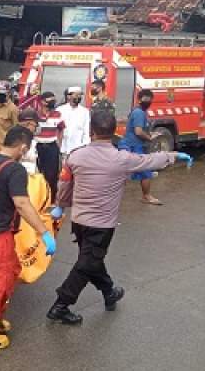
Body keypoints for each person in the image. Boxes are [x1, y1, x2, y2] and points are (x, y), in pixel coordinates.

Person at [47, 111, 191, 324]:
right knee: (87, 263)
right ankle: (61, 305)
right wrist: (174, 155)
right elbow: (150, 160)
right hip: (102, 225)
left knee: (90, 260)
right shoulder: (122, 159)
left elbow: (65, 184)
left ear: (91, 131)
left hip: (79, 221)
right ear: (114, 131)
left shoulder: (75, 156)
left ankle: (109, 291)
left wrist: (60, 206)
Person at [0, 126, 57, 349]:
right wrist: (44, 233)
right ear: (23, 146)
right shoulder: (15, 170)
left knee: (10, 272)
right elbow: (22, 203)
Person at [118, 89, 163, 205]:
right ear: (139, 99)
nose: (148, 101)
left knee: (123, 173)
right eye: (145, 98)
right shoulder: (139, 113)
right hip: (133, 146)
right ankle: (146, 196)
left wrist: (150, 134)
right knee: (145, 171)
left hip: (132, 145)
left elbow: (139, 129)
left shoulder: (140, 111)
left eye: (149, 99)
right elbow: (138, 131)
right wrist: (150, 138)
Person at [34, 92, 64, 202]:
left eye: (53, 100)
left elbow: (61, 129)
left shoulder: (57, 114)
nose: (53, 102)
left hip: (52, 147)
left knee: (52, 175)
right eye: (50, 100)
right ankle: (39, 198)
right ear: (42, 101)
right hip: (38, 147)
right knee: (37, 173)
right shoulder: (35, 114)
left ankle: (51, 200)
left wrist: (59, 143)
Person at [57, 86, 90, 160]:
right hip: (62, 149)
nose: (78, 97)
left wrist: (85, 146)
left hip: (78, 149)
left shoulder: (85, 111)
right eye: (76, 95)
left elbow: (86, 131)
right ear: (69, 96)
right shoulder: (60, 110)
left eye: (80, 95)